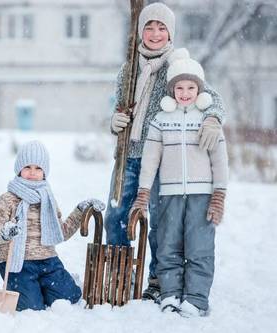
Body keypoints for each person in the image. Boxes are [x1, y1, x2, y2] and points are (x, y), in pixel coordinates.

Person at [105, 2, 225, 302]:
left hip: (163, 158)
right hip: (129, 157)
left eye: (162, 28)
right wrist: (116, 121)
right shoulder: (128, 69)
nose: (155, 33)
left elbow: (213, 98)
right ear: (140, 31)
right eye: (149, 26)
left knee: (160, 223)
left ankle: (159, 280)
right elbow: (121, 106)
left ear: (170, 33)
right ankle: (121, 276)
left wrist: (212, 118)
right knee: (116, 216)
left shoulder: (178, 64)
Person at [130, 55, 228, 317]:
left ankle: (196, 299)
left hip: (202, 195)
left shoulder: (208, 121)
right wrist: (143, 193)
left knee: (199, 248)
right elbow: (150, 160)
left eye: (191, 88)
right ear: (172, 89)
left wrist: (219, 195)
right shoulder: (161, 120)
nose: (185, 93)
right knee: (168, 245)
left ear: (200, 90)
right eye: (179, 87)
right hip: (169, 195)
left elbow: (220, 161)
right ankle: (170, 294)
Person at [0, 140, 106, 311]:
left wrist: (80, 211)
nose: (32, 173)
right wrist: (5, 232)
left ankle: (48, 285)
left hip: (47, 261)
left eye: (38, 168)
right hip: (17, 264)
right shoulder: (8, 199)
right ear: (19, 169)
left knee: (70, 297)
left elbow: (61, 232)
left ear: (45, 172)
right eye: (27, 167)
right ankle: (32, 289)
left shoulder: (48, 199)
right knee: (31, 307)